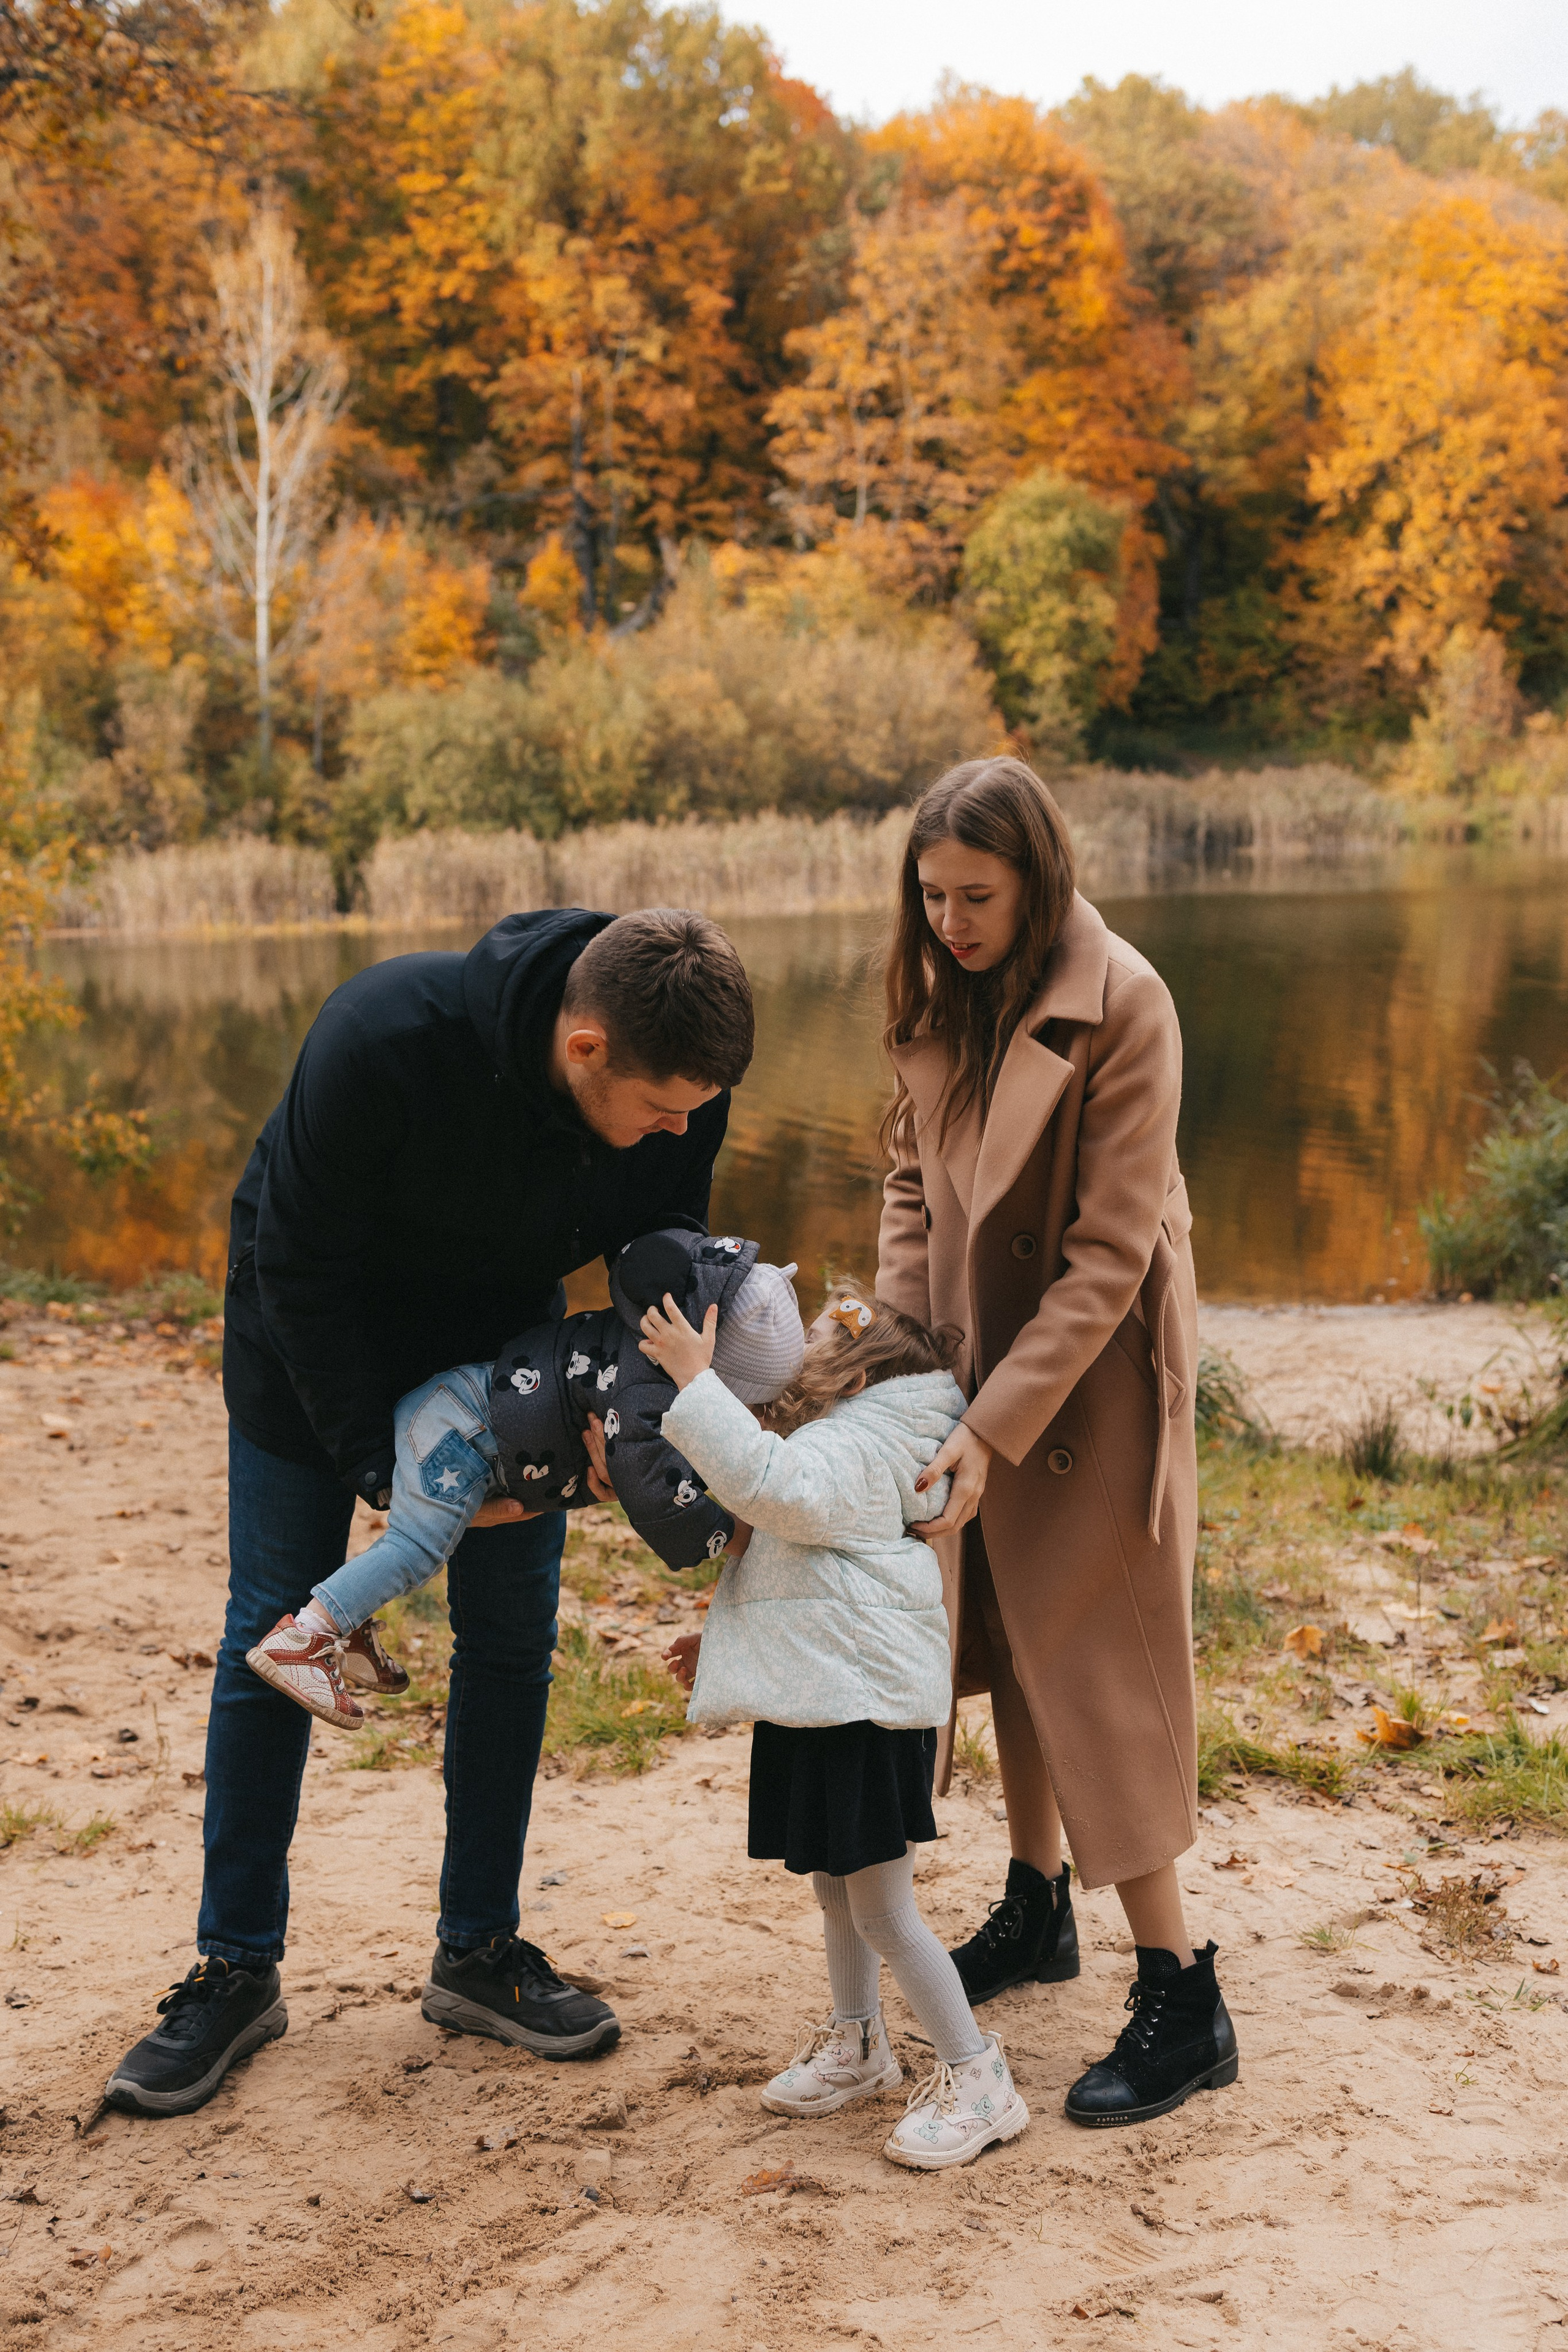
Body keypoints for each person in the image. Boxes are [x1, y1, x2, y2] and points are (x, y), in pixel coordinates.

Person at [105, 906, 756, 2117]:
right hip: (314, 1332)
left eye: (697, 1108)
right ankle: (232, 1970)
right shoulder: (382, 1037)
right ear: (582, 1049)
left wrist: (633, 1410)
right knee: (274, 1616)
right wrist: (385, 1477)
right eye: (664, 1107)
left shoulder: (681, 1081)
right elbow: (298, 1271)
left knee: (509, 1637)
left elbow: (661, 1256)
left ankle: (479, 1952)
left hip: (498, 1350)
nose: (684, 1128)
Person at [876, 756, 1238, 2128]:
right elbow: (909, 1187)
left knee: (1091, 1649)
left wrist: (989, 1418)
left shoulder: (1126, 1004)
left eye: (975, 895)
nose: (950, 921)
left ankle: (1182, 1986)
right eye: (930, 897)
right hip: (971, 1350)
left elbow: (1101, 1258)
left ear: (1038, 881)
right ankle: (1036, 1908)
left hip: (1091, 1371)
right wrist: (906, 1368)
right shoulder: (933, 994)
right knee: (1009, 1634)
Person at [651, 1276, 1031, 2173]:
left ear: (856, 1380)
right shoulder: (846, 1444)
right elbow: (803, 1571)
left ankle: (981, 2080)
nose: (791, 1350)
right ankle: (860, 2044)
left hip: (860, 1706)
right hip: (824, 1691)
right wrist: (723, 1640)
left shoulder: (857, 1451)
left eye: (814, 1338)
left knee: (886, 1911)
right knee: (833, 1880)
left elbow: (771, 1488)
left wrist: (696, 1383)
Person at [244, 1234, 804, 1728]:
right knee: (416, 1548)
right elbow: (658, 1495)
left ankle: (352, 1624)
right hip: (460, 1435)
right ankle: (306, 1638)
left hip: (456, 1419)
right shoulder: (647, 1390)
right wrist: (734, 1534)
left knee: (418, 1542)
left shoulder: (663, 1309)